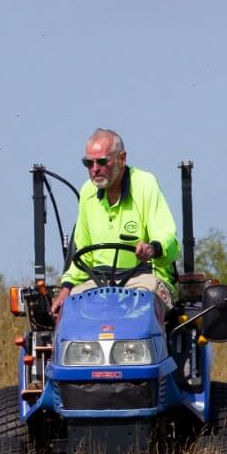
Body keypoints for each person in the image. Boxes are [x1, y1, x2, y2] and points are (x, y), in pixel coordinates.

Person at [51, 128, 180, 323]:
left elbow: (168, 238)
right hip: (98, 283)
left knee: (141, 308)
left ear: (122, 159)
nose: (95, 169)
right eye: (89, 163)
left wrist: (152, 248)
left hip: (143, 279)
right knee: (70, 311)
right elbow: (83, 256)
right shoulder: (87, 193)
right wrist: (66, 289)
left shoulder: (145, 184)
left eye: (102, 162)